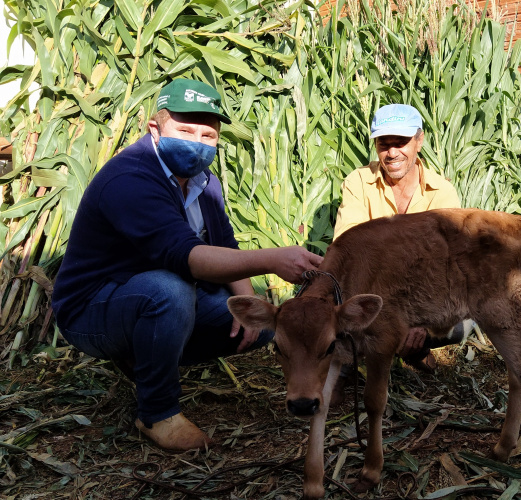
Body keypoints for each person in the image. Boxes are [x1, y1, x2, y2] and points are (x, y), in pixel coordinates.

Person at [52, 79, 323, 452]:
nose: (197, 141)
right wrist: (274, 259)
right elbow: (187, 257)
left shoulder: (204, 183)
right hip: (91, 309)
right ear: (155, 129)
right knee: (169, 291)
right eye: (184, 130)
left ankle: (145, 358)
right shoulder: (130, 176)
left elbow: (224, 244)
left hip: (144, 296)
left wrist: (247, 307)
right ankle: (157, 413)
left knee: (262, 325)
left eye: (207, 134)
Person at [332, 104, 469, 393]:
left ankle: (412, 347)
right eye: (384, 143)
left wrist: (416, 319)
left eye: (401, 142)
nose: (392, 152)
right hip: (371, 296)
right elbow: (349, 253)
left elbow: (442, 267)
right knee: (335, 311)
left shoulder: (442, 191)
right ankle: (348, 364)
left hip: (421, 298)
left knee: (458, 327)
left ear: (419, 140)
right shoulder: (358, 182)